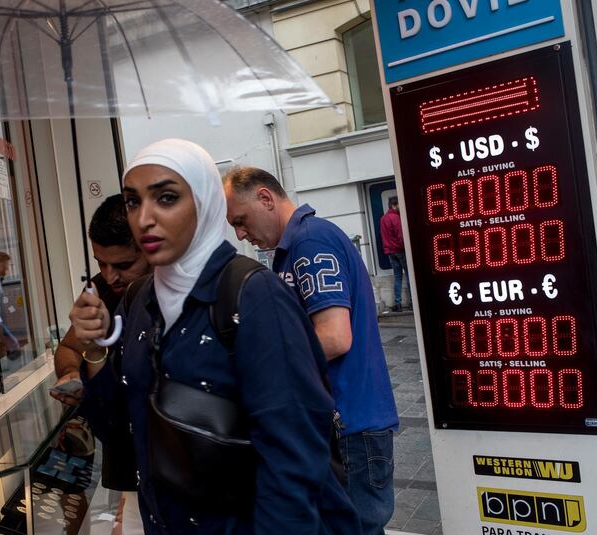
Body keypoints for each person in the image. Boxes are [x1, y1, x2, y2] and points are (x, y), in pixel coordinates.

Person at [70, 139, 361, 534]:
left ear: (205, 201)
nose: (144, 219)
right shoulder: (140, 301)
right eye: (133, 202)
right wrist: (93, 352)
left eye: (167, 198)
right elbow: (120, 430)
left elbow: (294, 463)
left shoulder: (253, 295)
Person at [223, 166, 399, 535]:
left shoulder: (310, 242)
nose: (241, 234)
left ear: (266, 198)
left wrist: (262, 364)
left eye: (241, 220)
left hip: (350, 423)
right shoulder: (298, 245)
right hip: (346, 422)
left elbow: (335, 338)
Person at [51, 194, 150, 535]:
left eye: (122, 265)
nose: (109, 275)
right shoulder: (101, 289)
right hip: (125, 455)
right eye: (101, 263)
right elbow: (67, 346)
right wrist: (72, 373)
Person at [380, 196, 409, 312]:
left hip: (390, 251)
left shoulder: (383, 218)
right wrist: (405, 248)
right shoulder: (396, 218)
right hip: (400, 250)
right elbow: (400, 235)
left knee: (398, 277)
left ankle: (398, 303)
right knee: (409, 276)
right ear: (394, 205)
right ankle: (413, 302)